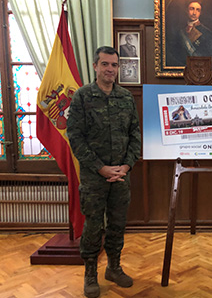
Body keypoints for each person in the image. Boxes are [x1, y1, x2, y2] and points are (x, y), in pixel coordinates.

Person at [67, 46, 141, 298]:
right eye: (105, 64)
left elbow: (135, 135)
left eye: (114, 65)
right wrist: (100, 168)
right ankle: (90, 273)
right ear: (95, 67)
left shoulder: (126, 97)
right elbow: (75, 137)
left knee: (118, 224)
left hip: (121, 175)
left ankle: (114, 267)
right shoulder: (82, 97)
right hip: (94, 177)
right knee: (94, 225)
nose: (110, 69)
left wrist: (127, 165)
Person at [168, 0, 212, 66]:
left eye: (198, 10)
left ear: (200, 13)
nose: (194, 13)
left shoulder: (207, 33)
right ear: (186, 10)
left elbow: (209, 54)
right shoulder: (180, 32)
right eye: (192, 9)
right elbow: (176, 53)